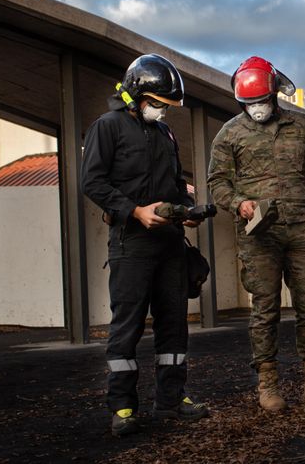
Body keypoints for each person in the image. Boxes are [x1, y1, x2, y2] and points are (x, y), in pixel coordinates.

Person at [207, 56, 305, 412]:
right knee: (265, 309)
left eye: (261, 101)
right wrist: (238, 202)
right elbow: (217, 182)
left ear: (274, 94)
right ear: (241, 101)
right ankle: (267, 386)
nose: (257, 109)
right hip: (258, 234)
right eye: (249, 104)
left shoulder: (302, 126)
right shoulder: (230, 134)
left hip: (301, 227)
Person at [81, 53, 210, 436]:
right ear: (135, 95)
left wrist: (186, 209)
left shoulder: (165, 134)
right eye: (158, 104)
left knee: (174, 326)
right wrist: (135, 211)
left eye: (167, 107)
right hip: (132, 244)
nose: (162, 111)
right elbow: (93, 183)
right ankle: (122, 408)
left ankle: (172, 399)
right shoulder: (107, 127)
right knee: (127, 327)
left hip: (171, 245)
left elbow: (172, 185)